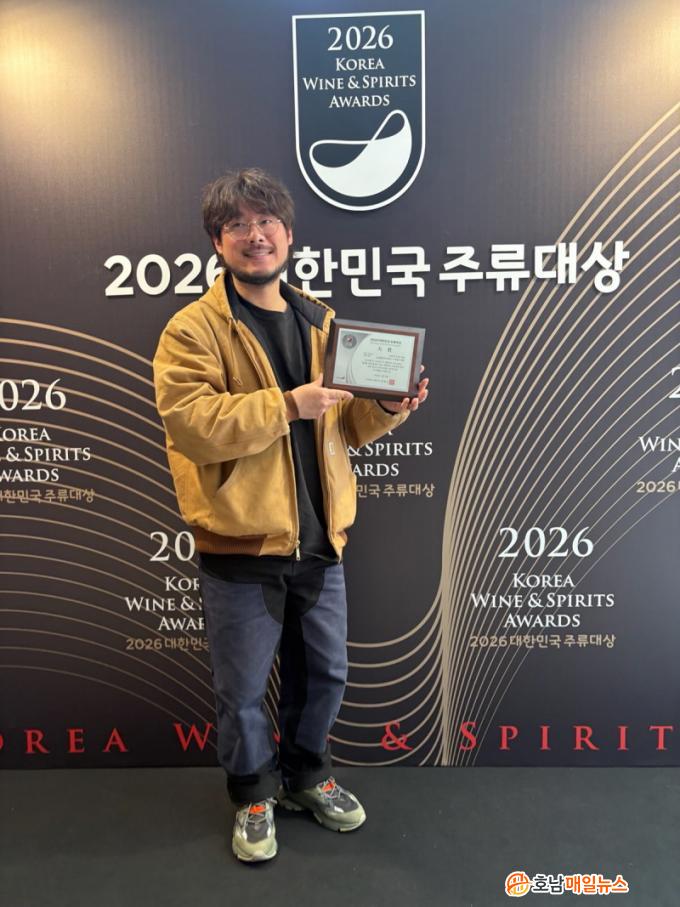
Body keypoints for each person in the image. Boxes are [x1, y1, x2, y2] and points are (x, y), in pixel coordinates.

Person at [153, 168, 429, 862]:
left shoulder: (320, 320)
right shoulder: (192, 329)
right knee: (243, 689)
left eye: (267, 221)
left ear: (289, 234)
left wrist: (387, 407)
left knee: (326, 675)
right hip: (241, 546)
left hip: (320, 542)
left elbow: (347, 426)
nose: (256, 235)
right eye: (238, 225)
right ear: (218, 241)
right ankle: (252, 793)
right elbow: (192, 424)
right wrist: (286, 404)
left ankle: (308, 776)